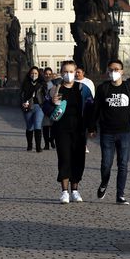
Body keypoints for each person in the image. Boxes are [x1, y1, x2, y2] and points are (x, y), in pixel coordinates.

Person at [93, 59, 130, 205]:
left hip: (124, 132)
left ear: (122, 71)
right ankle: (104, 183)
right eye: (111, 70)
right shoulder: (103, 88)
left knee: (123, 164)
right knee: (106, 164)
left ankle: (120, 195)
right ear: (107, 72)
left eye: (116, 69)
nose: (113, 72)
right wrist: (92, 127)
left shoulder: (128, 88)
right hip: (107, 132)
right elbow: (96, 108)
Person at [43, 61, 93, 204]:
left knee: (78, 159)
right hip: (61, 129)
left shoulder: (82, 89)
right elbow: (45, 106)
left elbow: (91, 107)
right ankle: (64, 191)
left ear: (75, 72)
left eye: (71, 71)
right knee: (65, 158)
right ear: (61, 72)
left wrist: (91, 127)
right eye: (65, 71)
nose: (68, 74)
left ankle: (75, 190)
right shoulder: (55, 89)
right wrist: (52, 103)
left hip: (79, 130)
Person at [20, 66, 46, 152]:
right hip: (28, 106)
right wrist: (22, 103)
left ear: (38, 74)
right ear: (29, 74)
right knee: (29, 126)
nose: (34, 75)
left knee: (37, 125)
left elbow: (46, 95)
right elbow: (21, 95)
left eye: (35, 73)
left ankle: (38, 147)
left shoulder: (42, 83)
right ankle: (29, 145)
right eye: (32, 73)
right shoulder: (25, 83)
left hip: (39, 106)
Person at [75, 67, 95, 153]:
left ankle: (84, 145)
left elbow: (92, 95)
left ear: (83, 73)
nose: (77, 74)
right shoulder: (72, 81)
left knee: (83, 129)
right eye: (75, 72)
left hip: (84, 108)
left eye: (78, 72)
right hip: (74, 109)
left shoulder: (88, 82)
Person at [41, 67, 57, 150]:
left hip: (53, 107)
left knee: (54, 126)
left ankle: (52, 139)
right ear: (44, 74)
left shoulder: (55, 84)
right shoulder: (41, 84)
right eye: (46, 74)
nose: (48, 75)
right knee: (46, 126)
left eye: (49, 74)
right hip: (44, 107)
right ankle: (46, 144)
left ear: (52, 74)